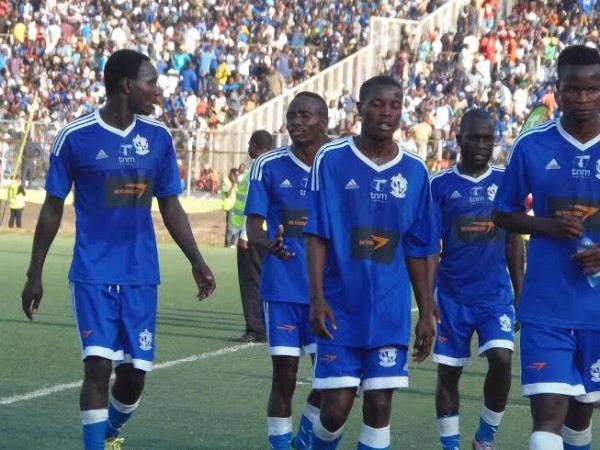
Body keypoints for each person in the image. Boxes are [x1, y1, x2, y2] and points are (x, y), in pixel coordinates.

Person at [20, 49, 216, 450]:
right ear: (127, 85)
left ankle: (110, 430)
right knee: (97, 366)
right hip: (92, 271)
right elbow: (53, 208)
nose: (157, 91)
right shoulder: (74, 137)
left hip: (141, 273)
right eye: (151, 82)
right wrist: (34, 272)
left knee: (133, 377)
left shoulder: (158, 138)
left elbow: (171, 203)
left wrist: (197, 261)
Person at [304, 75, 438, 449]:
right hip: (340, 307)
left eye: (395, 105)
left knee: (379, 405)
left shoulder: (415, 171)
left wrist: (426, 311)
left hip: (390, 311)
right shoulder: (330, 160)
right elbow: (317, 233)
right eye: (377, 104)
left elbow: (418, 247)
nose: (387, 112)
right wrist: (316, 297)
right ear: (360, 107)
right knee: (334, 411)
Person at [492, 45, 600, 450]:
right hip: (546, 306)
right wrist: (546, 226)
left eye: (593, 89)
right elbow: (502, 214)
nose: (583, 98)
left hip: (596, 311)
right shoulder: (533, 146)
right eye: (573, 89)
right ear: (559, 89)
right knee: (548, 415)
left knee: (579, 416)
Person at [428, 109, 524, 450]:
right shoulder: (438, 184)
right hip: (452, 297)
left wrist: (520, 293)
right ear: (459, 140)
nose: (482, 144)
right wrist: (428, 303)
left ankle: (485, 439)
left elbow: (514, 241)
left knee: (501, 360)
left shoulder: (505, 180)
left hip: (495, 296)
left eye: (487, 138)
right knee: (448, 374)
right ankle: (450, 445)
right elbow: (429, 246)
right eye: (474, 138)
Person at [244, 92, 329, 449]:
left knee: (332, 381)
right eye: (291, 116)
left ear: (323, 122)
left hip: (327, 293)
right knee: (285, 376)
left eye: (304, 115)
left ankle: (303, 439)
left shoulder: (338, 165)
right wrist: (269, 244)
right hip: (281, 290)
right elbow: (253, 228)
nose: (295, 122)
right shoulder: (268, 165)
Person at [230, 129, 273, 343]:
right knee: (264, 281)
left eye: (249, 143)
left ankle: (256, 329)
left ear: (255, 145)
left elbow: (251, 203)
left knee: (251, 282)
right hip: (267, 234)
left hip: (253, 234)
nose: (248, 147)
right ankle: (267, 325)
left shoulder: (258, 166)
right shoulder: (274, 165)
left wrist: (245, 234)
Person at [221, 167, 239, 247]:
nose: (236, 177)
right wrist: (233, 184)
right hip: (229, 206)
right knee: (230, 225)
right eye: (235, 175)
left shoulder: (236, 183)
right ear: (231, 174)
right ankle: (227, 244)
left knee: (237, 225)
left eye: (237, 176)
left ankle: (233, 243)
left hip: (237, 206)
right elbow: (227, 194)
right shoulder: (226, 181)